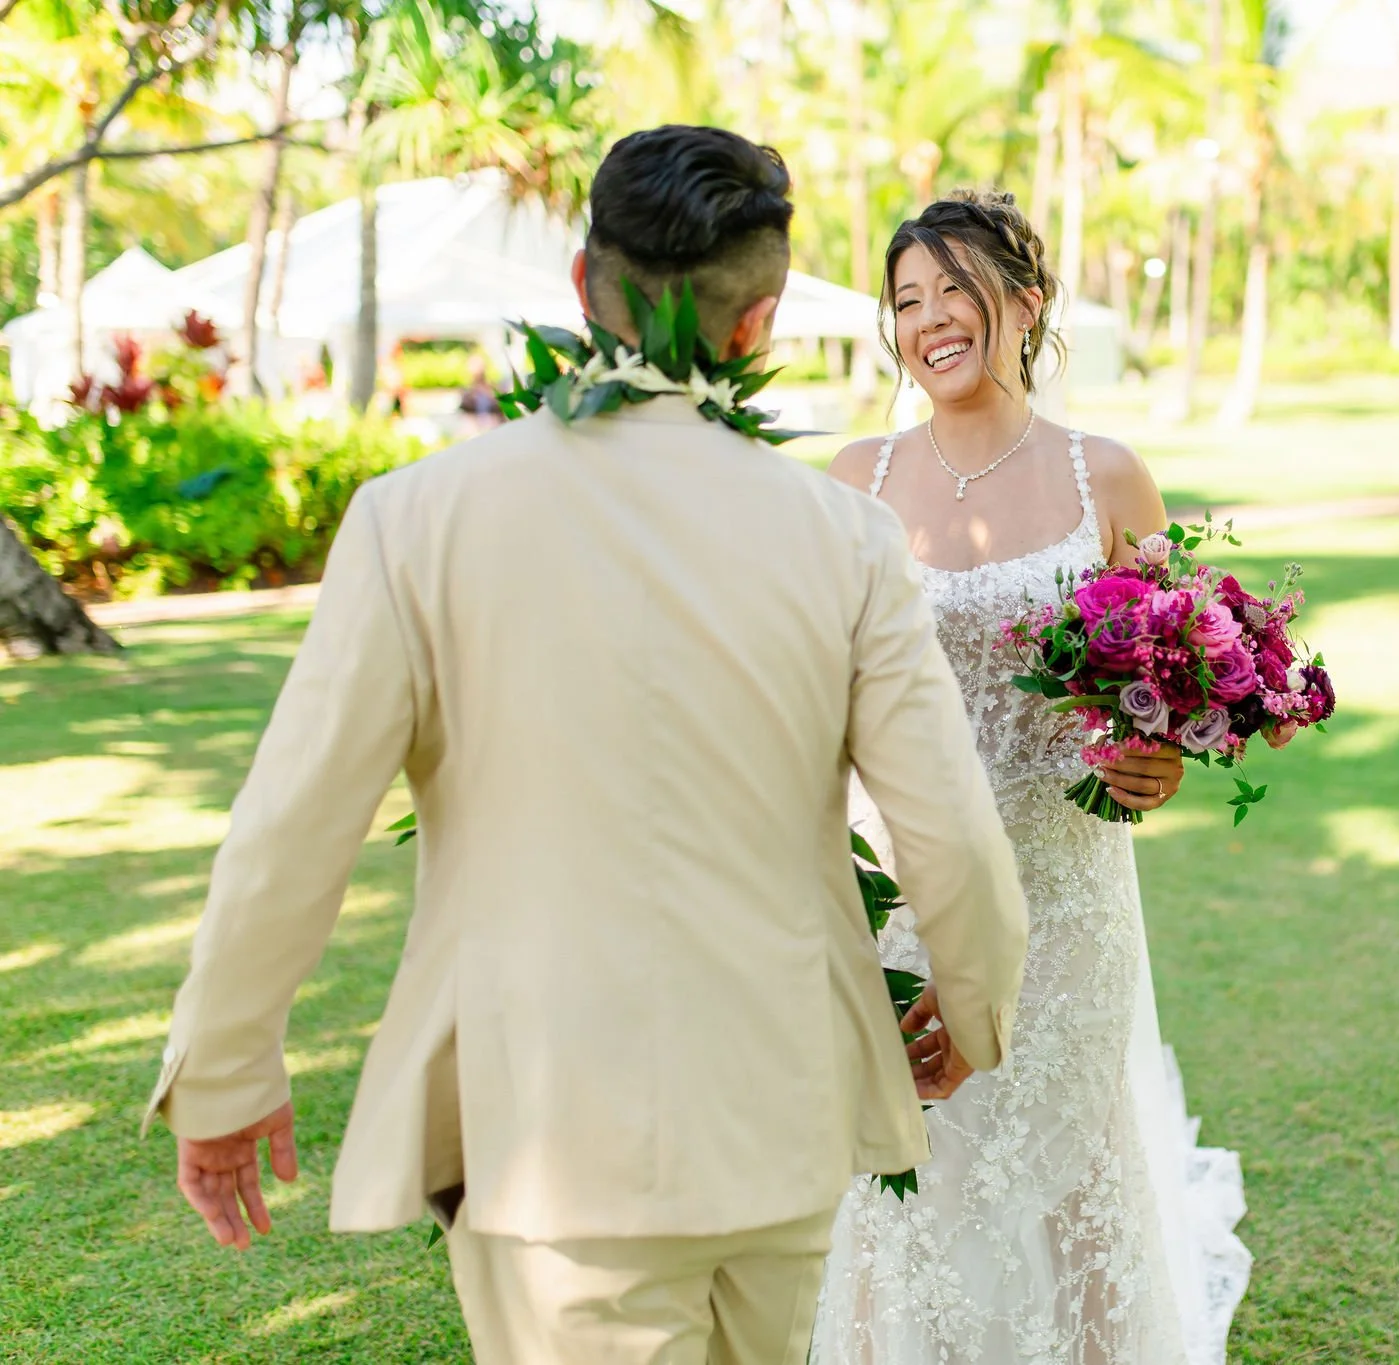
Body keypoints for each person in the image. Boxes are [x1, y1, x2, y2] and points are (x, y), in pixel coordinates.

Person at [142, 126, 1031, 1365]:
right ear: (755, 325)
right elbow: (949, 831)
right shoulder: (844, 537)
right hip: (779, 1114)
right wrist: (972, 1010)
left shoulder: (417, 520)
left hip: (545, 1135)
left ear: (580, 286)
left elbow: (295, 824)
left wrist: (228, 1071)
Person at [814, 190, 1252, 1365]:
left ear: (1025, 304)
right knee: (911, 1179)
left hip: (1067, 894)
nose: (930, 320)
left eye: (954, 289)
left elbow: (1174, 677)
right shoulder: (852, 479)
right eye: (907, 300)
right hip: (903, 890)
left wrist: (1157, 761)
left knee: (1067, 1171)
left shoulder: (1104, 478)